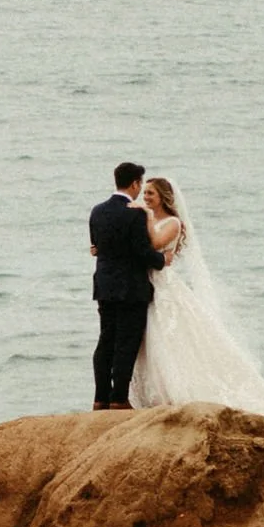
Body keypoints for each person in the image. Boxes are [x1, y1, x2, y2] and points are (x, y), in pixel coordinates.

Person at [128, 173, 264, 415]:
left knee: (169, 336)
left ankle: (177, 391)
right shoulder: (149, 218)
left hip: (165, 287)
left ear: (163, 197)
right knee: (150, 340)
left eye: (151, 193)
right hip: (148, 284)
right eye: (145, 193)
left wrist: (146, 216)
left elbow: (153, 244)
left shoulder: (173, 223)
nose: (146, 197)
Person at [88, 160, 162, 409]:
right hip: (131, 287)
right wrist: (162, 260)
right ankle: (119, 397)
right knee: (126, 342)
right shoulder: (135, 213)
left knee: (106, 340)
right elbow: (142, 251)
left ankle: (100, 397)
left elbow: (96, 246)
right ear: (135, 183)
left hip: (105, 285)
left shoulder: (97, 211)